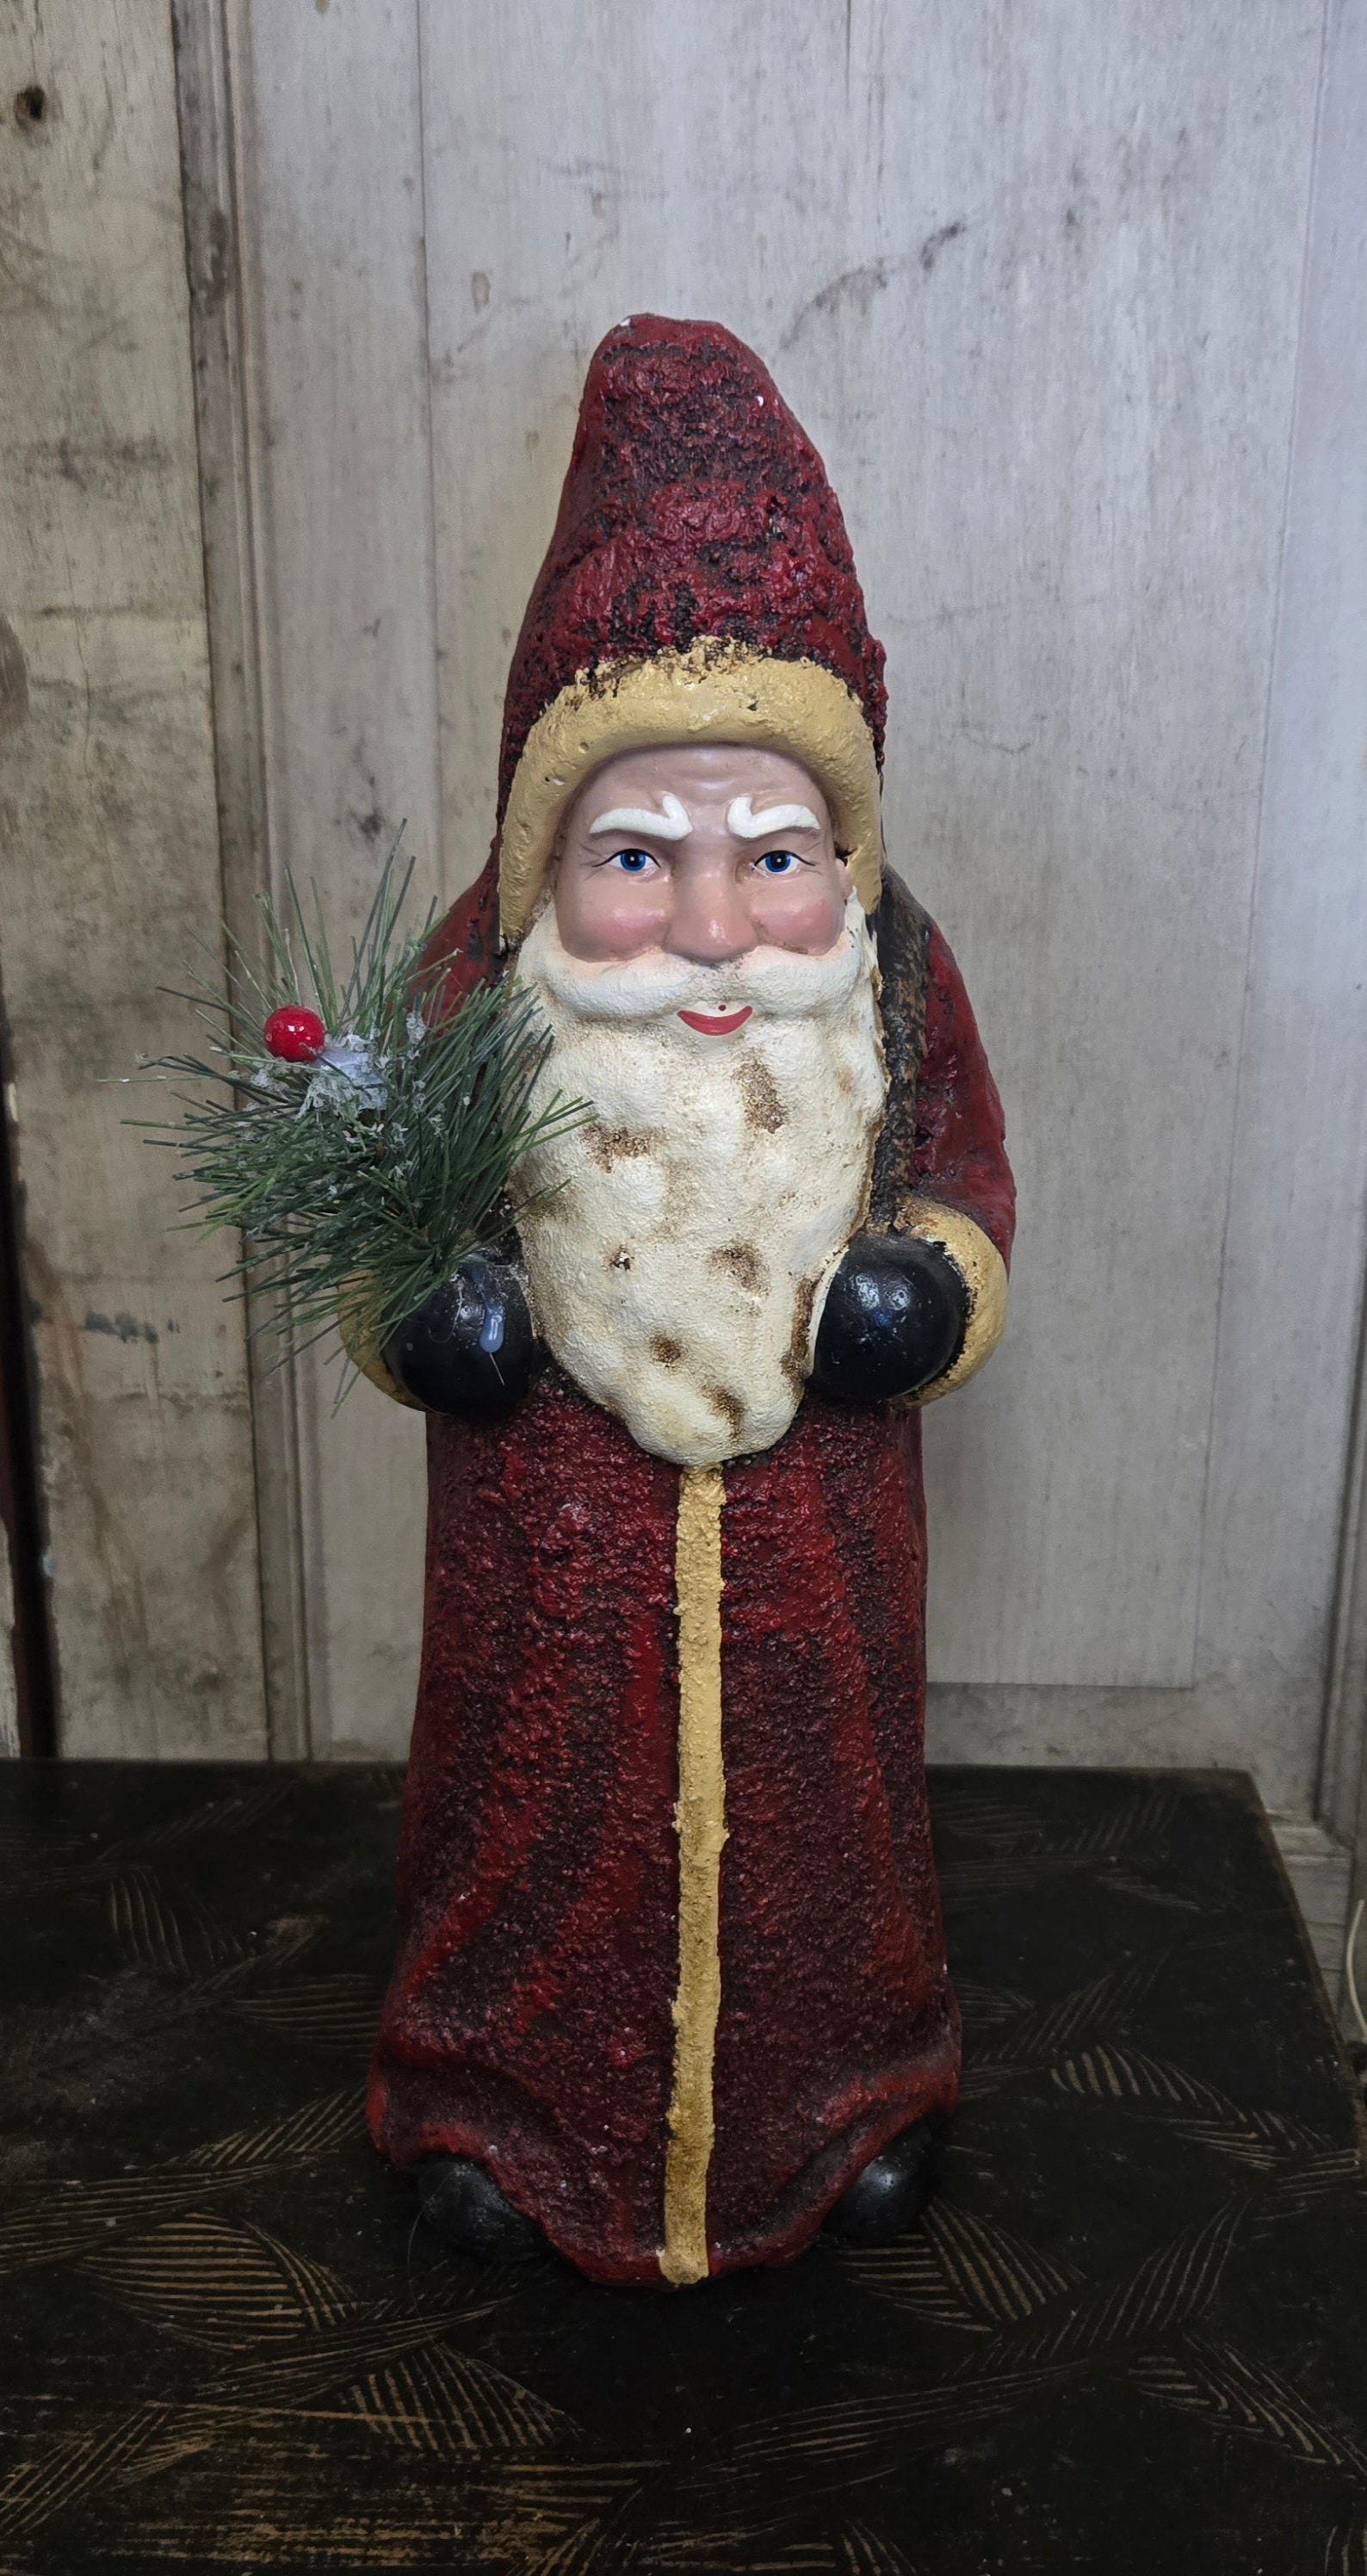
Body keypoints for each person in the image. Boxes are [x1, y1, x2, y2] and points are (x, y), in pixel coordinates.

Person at [356, 316, 1015, 2288]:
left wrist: (927, 1288)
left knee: (827, 1835)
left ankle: (851, 2096)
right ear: (549, 840)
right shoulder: (477, 982)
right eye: (640, 853)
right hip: (544, 1540)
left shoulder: (891, 984)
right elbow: (381, 1204)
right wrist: (429, 1312)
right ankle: (489, 2106)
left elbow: (964, 1179)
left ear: (844, 843)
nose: (715, 926)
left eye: (770, 849)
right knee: (533, 1823)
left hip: (815, 1538)